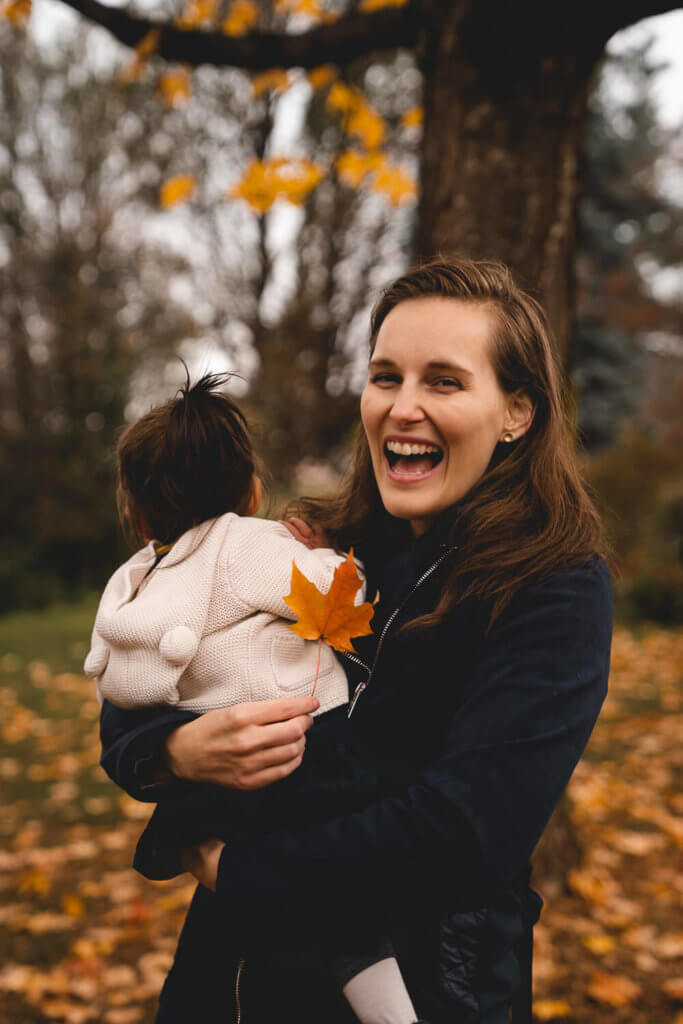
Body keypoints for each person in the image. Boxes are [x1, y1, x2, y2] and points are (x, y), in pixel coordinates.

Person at [99, 256, 612, 1024]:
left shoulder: (552, 586)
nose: (403, 406)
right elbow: (144, 668)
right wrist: (174, 751)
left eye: (443, 381)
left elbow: (466, 833)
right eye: (385, 377)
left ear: (517, 412)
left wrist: (237, 866)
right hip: (227, 980)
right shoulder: (312, 544)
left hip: (429, 982)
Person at [85, 373, 420, 1024]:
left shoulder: (129, 588)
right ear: (253, 491)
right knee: (344, 920)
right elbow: (336, 598)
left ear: (135, 510)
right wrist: (330, 566)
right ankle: (394, 1013)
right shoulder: (252, 545)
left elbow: (121, 684)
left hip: (219, 794)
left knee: (231, 922)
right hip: (309, 755)